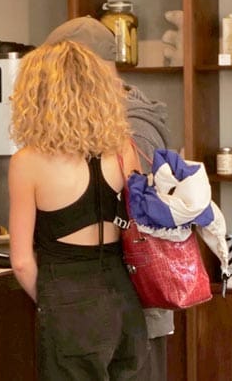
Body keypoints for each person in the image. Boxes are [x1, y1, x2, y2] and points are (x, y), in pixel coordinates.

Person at [8, 40, 149, 379]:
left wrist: (52, 303)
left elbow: (22, 262)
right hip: (124, 298)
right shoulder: (123, 149)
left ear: (37, 95)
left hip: (68, 299)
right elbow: (138, 225)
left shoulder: (28, 162)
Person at [42, 15, 172, 380]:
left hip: (138, 309)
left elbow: (140, 218)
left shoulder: (132, 128)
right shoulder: (110, 120)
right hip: (119, 307)